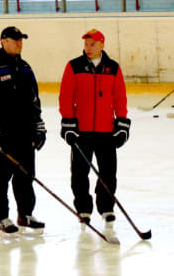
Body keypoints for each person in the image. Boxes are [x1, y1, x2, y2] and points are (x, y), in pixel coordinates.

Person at [0, 26, 47, 236]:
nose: (19, 43)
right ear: (3, 41)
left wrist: (39, 126)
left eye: (21, 40)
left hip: (25, 133)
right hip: (3, 134)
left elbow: (35, 100)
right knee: (0, 177)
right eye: (15, 40)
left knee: (26, 175)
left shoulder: (25, 67)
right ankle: (1, 217)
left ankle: (25, 214)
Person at [59, 29, 131, 230]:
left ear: (101, 45)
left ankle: (106, 207)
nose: (88, 48)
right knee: (80, 173)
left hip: (106, 130)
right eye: (86, 44)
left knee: (108, 172)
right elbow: (66, 96)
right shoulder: (74, 66)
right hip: (81, 131)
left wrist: (122, 123)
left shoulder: (113, 68)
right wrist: (68, 122)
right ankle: (84, 208)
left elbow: (119, 97)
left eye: (92, 44)